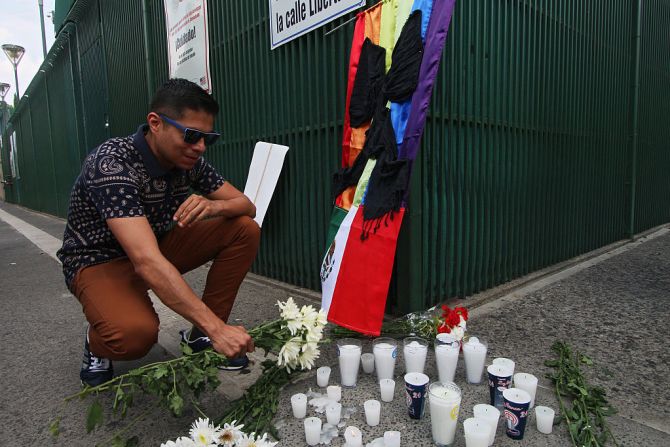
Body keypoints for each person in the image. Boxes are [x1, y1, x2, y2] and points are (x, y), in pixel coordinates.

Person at [57, 78, 260, 386]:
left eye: (208, 138)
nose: (200, 147)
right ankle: (96, 339)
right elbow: (146, 261)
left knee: (243, 229)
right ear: (155, 123)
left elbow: (246, 205)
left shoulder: (188, 161)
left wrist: (214, 207)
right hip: (99, 261)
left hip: (152, 246)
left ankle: (200, 338)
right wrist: (221, 328)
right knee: (133, 338)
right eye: (191, 135)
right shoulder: (111, 163)